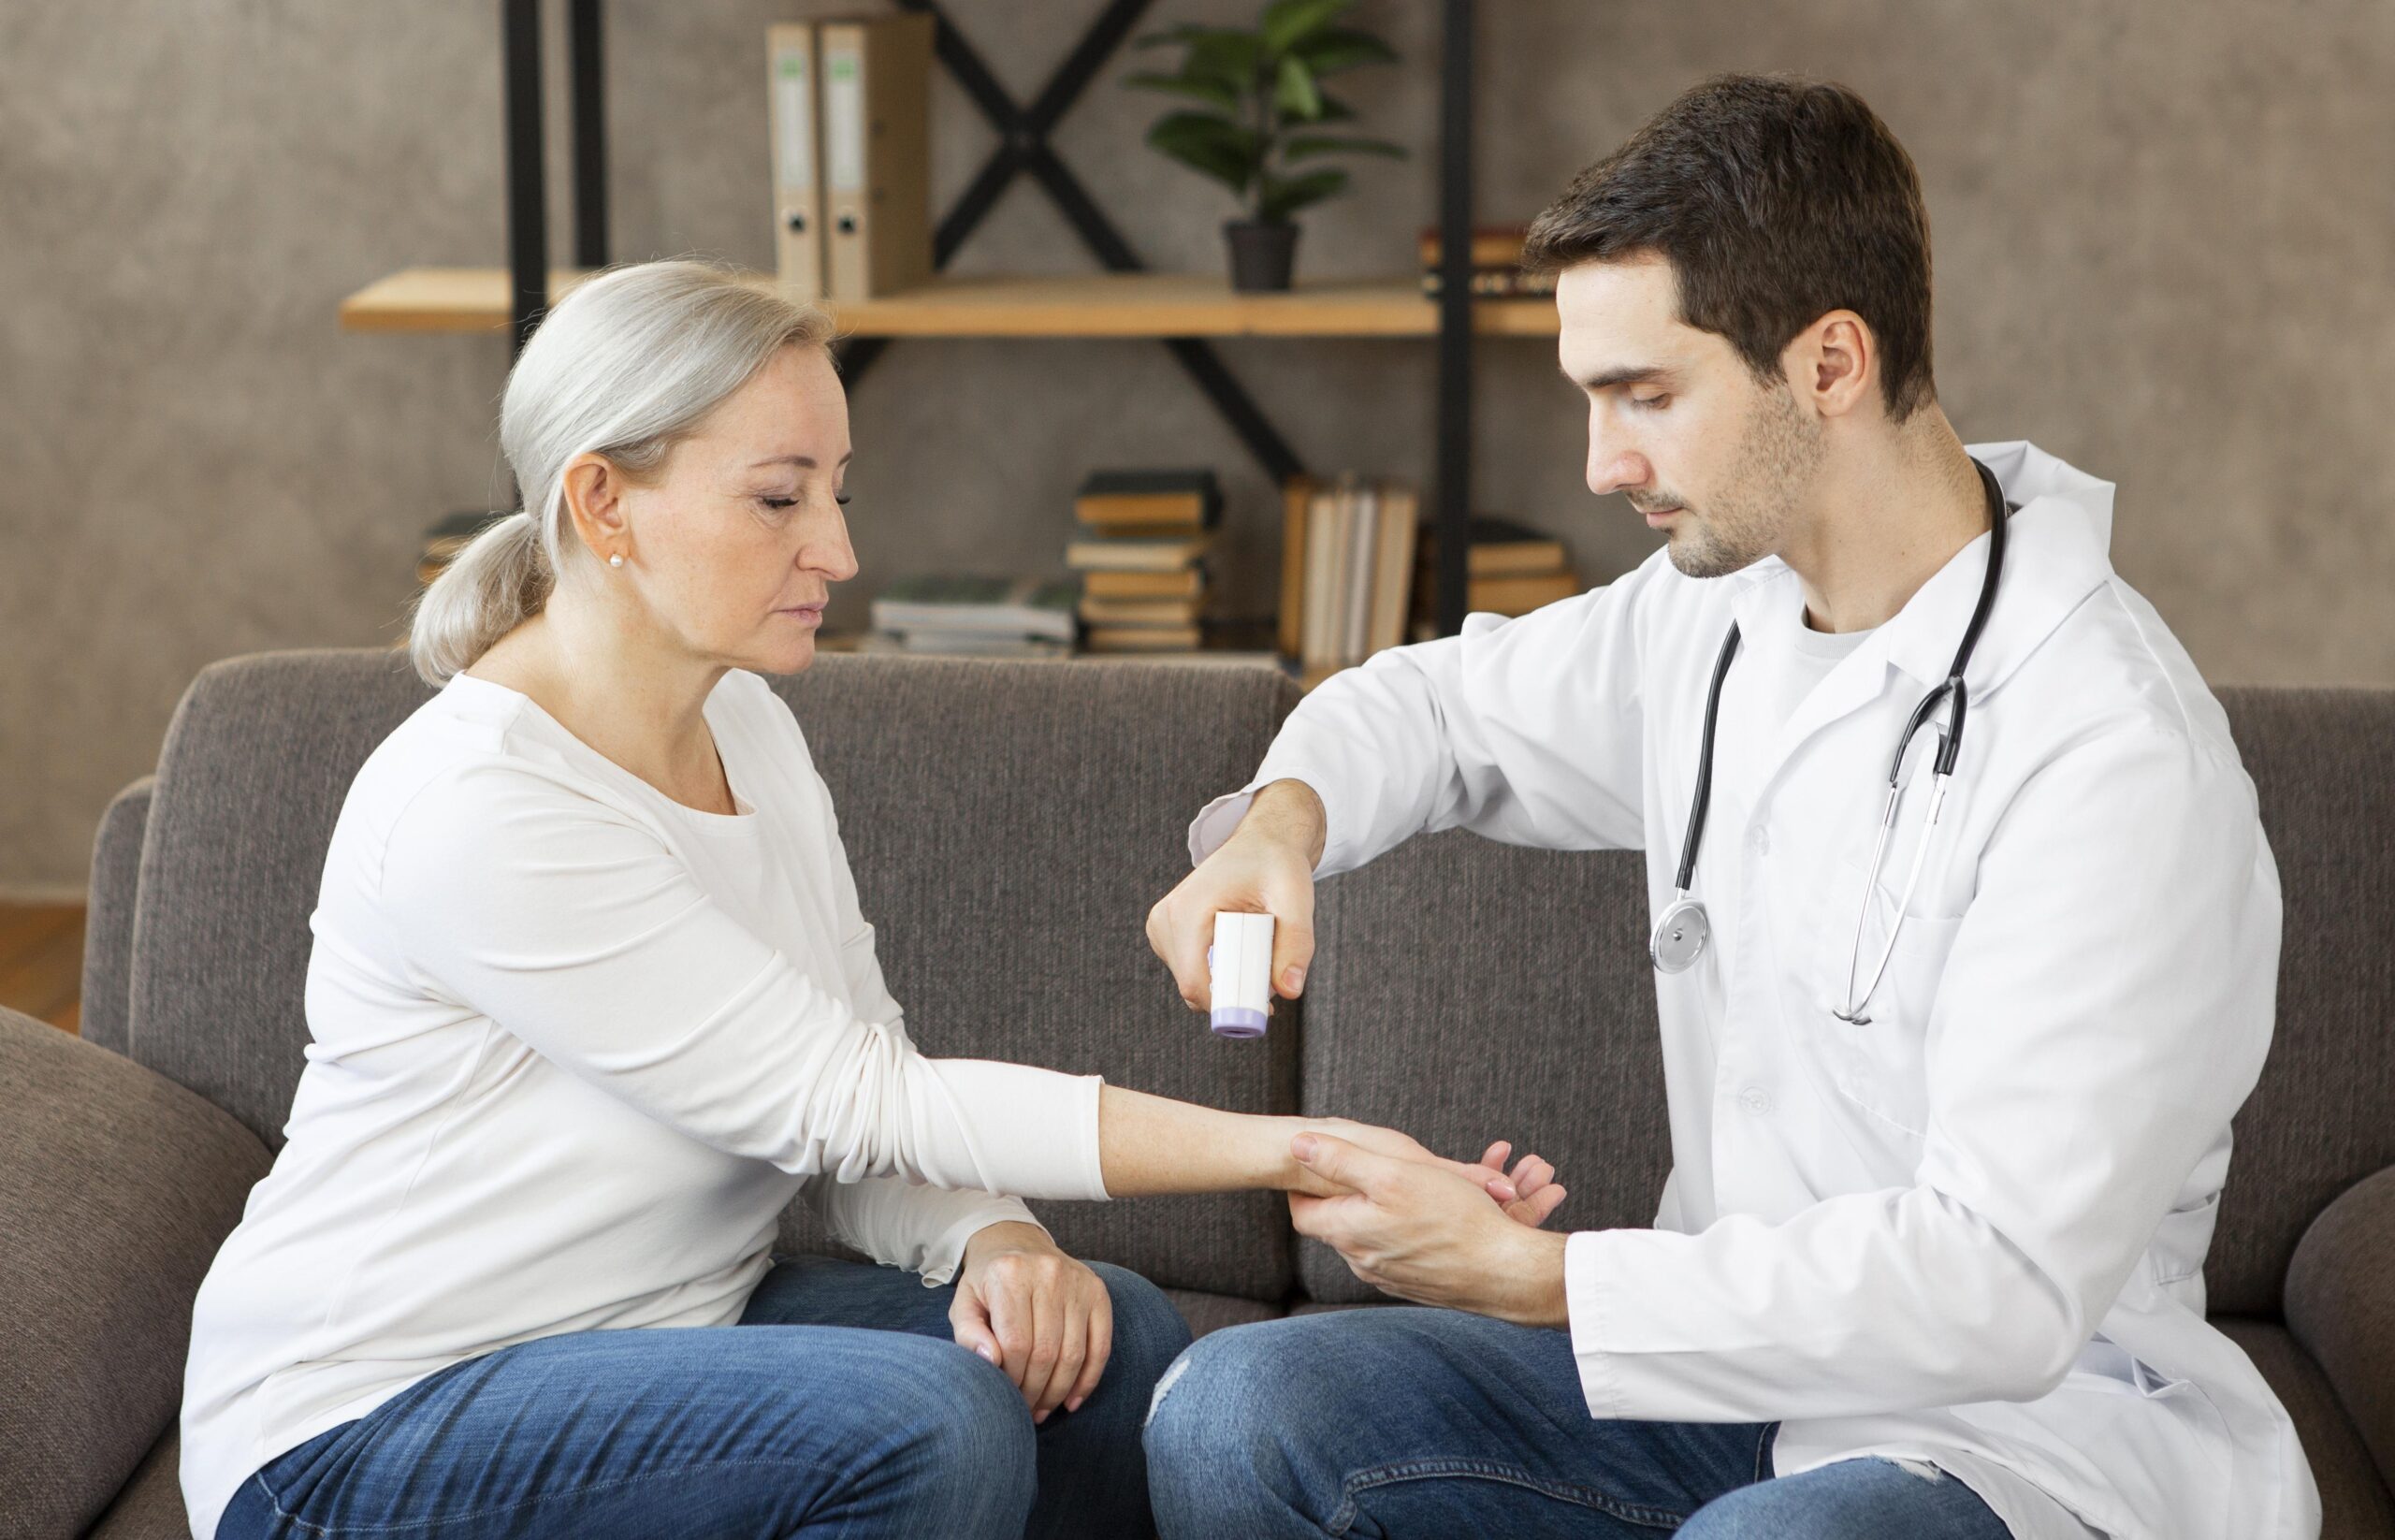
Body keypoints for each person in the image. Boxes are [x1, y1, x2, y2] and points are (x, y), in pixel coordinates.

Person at [181, 261, 1558, 1540]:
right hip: (364, 1427)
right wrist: (1305, 1151)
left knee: (1107, 1339)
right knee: (926, 1420)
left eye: (838, 491)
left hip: (657, 1332)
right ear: (603, 505)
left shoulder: (749, 725)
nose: (837, 550)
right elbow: (853, 1100)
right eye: (779, 499)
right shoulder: (483, 802)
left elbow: (861, 1071)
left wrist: (993, 1237)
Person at [1140, 74, 2318, 1540]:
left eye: (1646, 395)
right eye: (1591, 398)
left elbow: (2001, 1288)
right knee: (1235, 1414)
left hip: (2022, 1440)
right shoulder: (1715, 614)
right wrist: (1282, 822)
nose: (1601, 464)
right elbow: (1437, 709)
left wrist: (1539, 1277)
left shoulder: (2111, 751)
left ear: (1830, 362)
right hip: (1721, 1392)